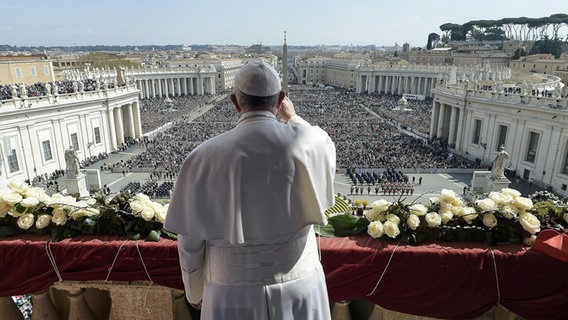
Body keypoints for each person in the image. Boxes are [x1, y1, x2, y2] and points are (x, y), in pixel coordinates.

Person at [165, 61, 336, 320]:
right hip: (300, 285)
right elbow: (315, 136)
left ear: (235, 102)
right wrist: (292, 117)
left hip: (232, 292)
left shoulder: (202, 157)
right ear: (280, 100)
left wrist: (194, 291)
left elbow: (189, 244)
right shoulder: (310, 142)